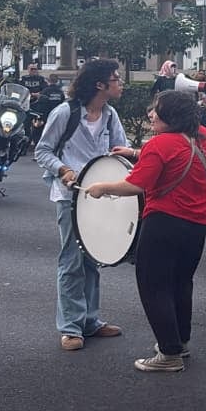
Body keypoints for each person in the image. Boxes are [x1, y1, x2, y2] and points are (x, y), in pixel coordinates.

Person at [82, 90, 206, 372]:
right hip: (198, 224)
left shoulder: (160, 144)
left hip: (165, 221)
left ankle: (169, 354)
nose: (151, 114)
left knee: (154, 285)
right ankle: (180, 342)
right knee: (181, 283)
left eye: (157, 109)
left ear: (171, 115)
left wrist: (102, 187)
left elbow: (136, 184)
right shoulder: (196, 140)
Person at [34, 59, 128, 351]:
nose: (120, 83)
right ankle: (70, 327)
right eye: (115, 79)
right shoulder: (65, 112)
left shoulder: (110, 115)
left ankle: (90, 320)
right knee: (71, 260)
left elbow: (119, 151)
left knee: (93, 257)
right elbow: (43, 150)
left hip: (99, 195)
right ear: (99, 84)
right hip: (69, 196)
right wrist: (62, 170)